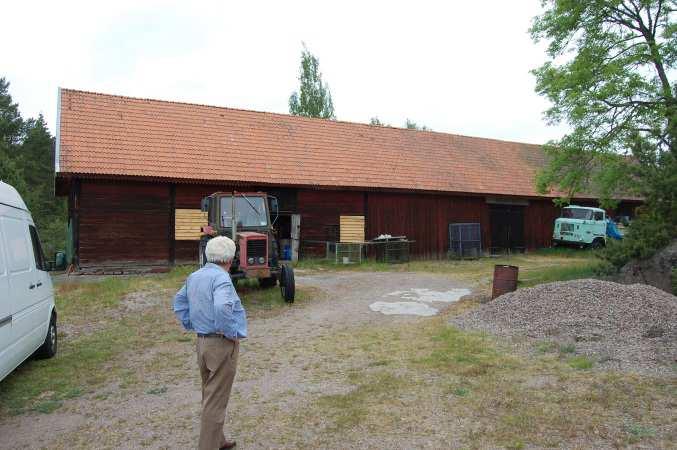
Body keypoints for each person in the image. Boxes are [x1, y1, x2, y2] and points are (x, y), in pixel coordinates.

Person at [173, 236, 247, 450]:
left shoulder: (194, 276)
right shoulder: (222, 279)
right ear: (230, 259)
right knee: (216, 399)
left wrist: (191, 323)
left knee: (210, 392)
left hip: (202, 344)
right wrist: (231, 332)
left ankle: (219, 439)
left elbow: (179, 301)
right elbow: (223, 307)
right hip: (221, 344)